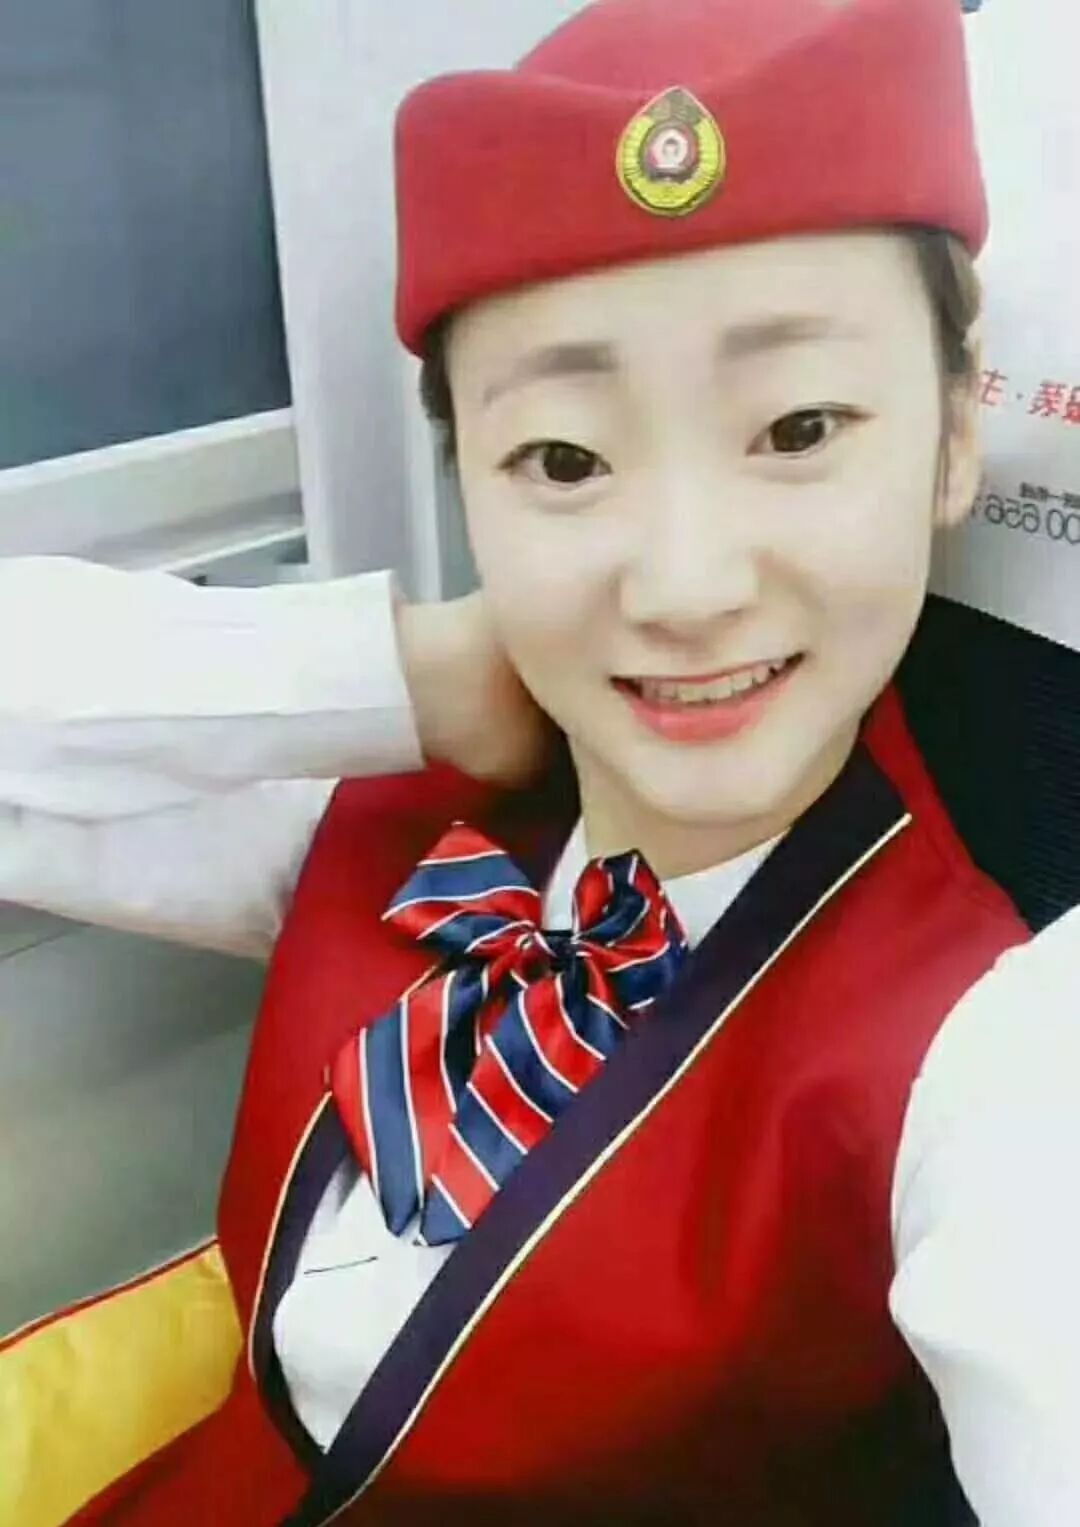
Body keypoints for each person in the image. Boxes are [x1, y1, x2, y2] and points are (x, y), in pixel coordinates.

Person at [3, 0, 1079, 1522]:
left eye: (799, 428)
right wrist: (402, 670)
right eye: (563, 459)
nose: (687, 584)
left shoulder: (1006, 1039)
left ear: (955, 436)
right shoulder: (387, 810)